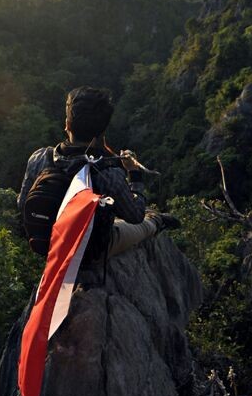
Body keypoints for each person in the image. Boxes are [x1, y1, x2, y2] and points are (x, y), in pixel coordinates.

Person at [17, 86, 179, 264]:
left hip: (49, 247)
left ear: (67, 125)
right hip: (88, 253)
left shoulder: (39, 158)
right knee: (144, 225)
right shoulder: (107, 173)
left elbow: (22, 203)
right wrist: (134, 174)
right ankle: (157, 220)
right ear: (102, 131)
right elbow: (135, 215)